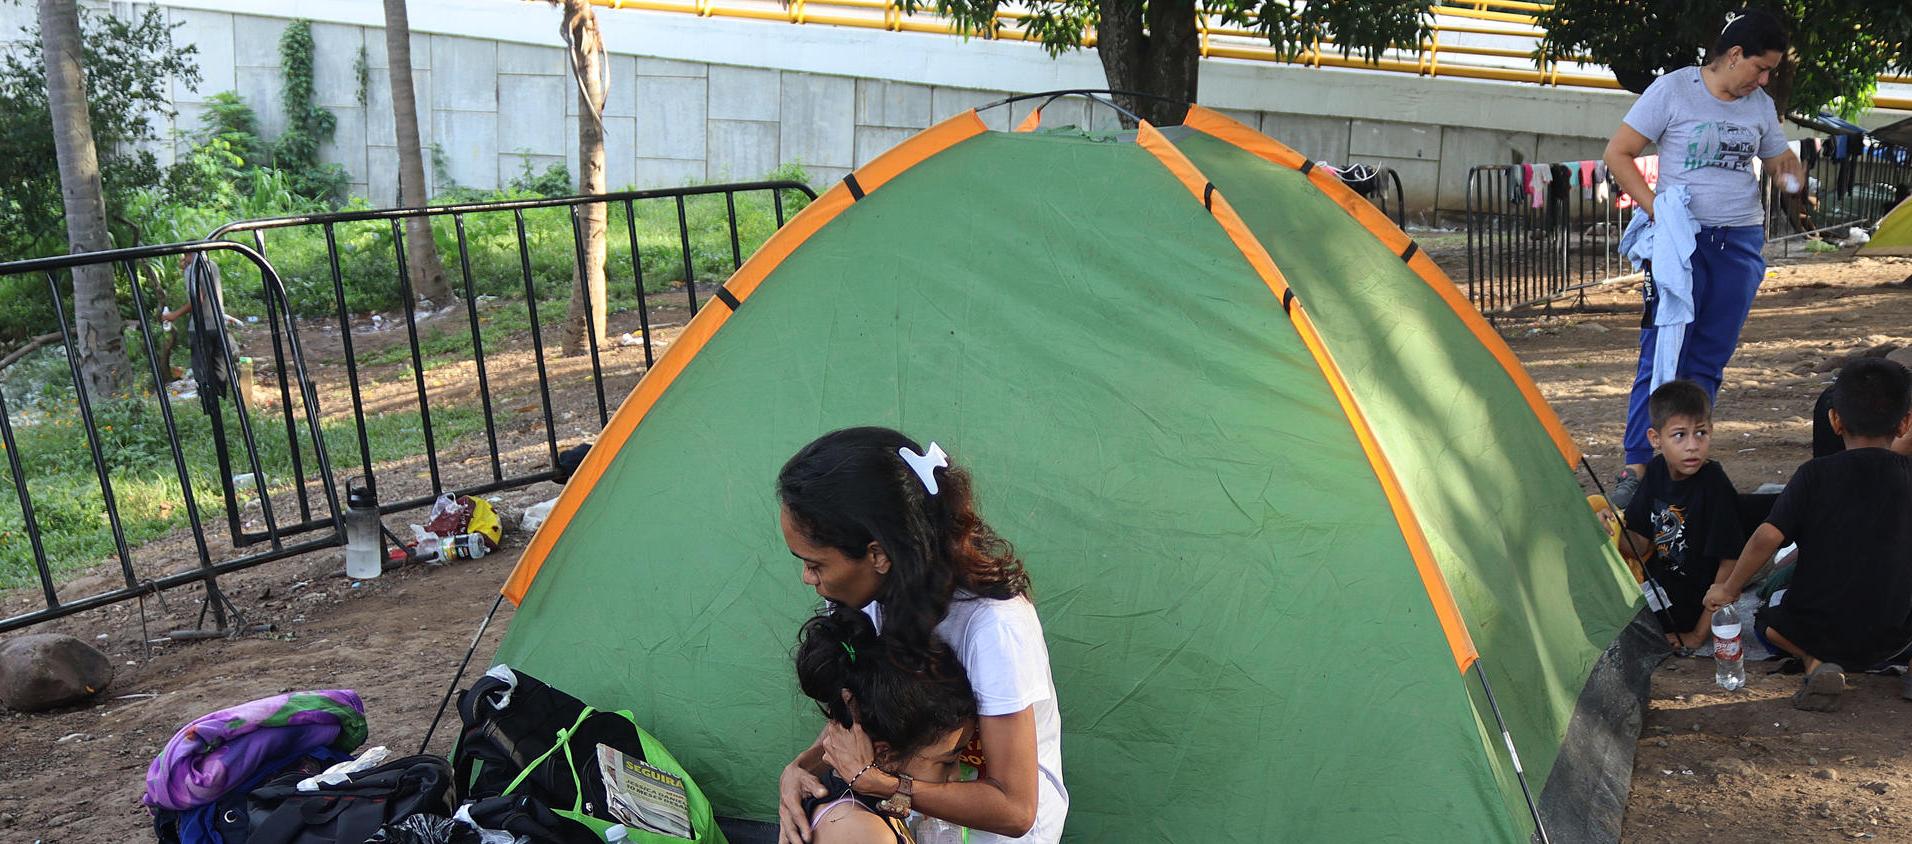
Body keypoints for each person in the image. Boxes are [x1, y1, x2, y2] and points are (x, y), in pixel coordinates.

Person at [775, 428, 1065, 844]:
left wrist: (888, 787)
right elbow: (867, 715)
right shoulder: (864, 594)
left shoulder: (996, 628)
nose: (807, 578)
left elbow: (1016, 810)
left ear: (878, 555)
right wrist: (801, 769)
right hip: (913, 816)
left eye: (816, 565)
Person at [1604, 7, 1806, 507]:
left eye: (1770, 73)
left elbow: (1779, 158)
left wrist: (1790, 172)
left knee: (1709, 360)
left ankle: (1685, 466)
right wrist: (1657, 213)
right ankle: (1638, 466)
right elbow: (1619, 153)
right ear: (1734, 54)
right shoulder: (1673, 90)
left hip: (1738, 243)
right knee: (1661, 357)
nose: (1764, 80)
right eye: (1760, 68)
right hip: (1680, 246)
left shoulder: (1758, 105)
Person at [1705, 358, 1912, 711]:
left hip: (1819, 634)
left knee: (1766, 622)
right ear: (1905, 423)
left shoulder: (1813, 475)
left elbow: (1766, 538)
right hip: (1893, 640)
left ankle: (1815, 663)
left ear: (1834, 420)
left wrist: (1730, 588)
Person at [793, 608, 978, 844]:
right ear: (885, 756)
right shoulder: (862, 831)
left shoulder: (865, 805)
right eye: (948, 762)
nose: (955, 777)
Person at [1617, 380, 1745, 651]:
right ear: (1655, 438)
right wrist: (1609, 531)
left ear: (1711, 431)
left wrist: (1698, 636)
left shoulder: (1714, 484)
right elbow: (1639, 543)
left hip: (1697, 602)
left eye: (1700, 433)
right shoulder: (1655, 472)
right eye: (1679, 435)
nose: (1692, 446)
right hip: (1660, 590)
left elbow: (1730, 562)